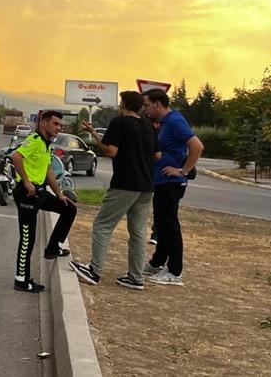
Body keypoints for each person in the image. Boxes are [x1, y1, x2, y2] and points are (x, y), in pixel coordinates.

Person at [69, 92, 157, 290]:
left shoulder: (120, 122)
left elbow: (111, 151)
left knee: (103, 225)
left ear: (123, 104)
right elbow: (157, 154)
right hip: (146, 186)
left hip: (124, 184)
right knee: (138, 232)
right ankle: (136, 277)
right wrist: (94, 132)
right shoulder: (148, 126)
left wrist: (96, 137)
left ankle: (94, 271)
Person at [9, 110, 77, 293]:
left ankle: (53, 247)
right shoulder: (35, 140)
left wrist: (59, 194)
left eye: (60, 125)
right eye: (55, 124)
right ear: (44, 124)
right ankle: (21, 280)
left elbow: (48, 172)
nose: (59, 127)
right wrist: (26, 182)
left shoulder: (46, 144)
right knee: (28, 238)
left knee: (69, 209)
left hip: (40, 193)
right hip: (27, 194)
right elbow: (16, 156)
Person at [142, 88, 204, 286]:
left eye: (147, 105)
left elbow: (197, 146)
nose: (145, 109)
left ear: (157, 104)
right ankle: (157, 262)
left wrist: (183, 171)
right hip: (162, 181)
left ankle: (175, 272)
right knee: (161, 224)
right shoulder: (165, 122)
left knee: (170, 226)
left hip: (172, 183)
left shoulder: (175, 121)